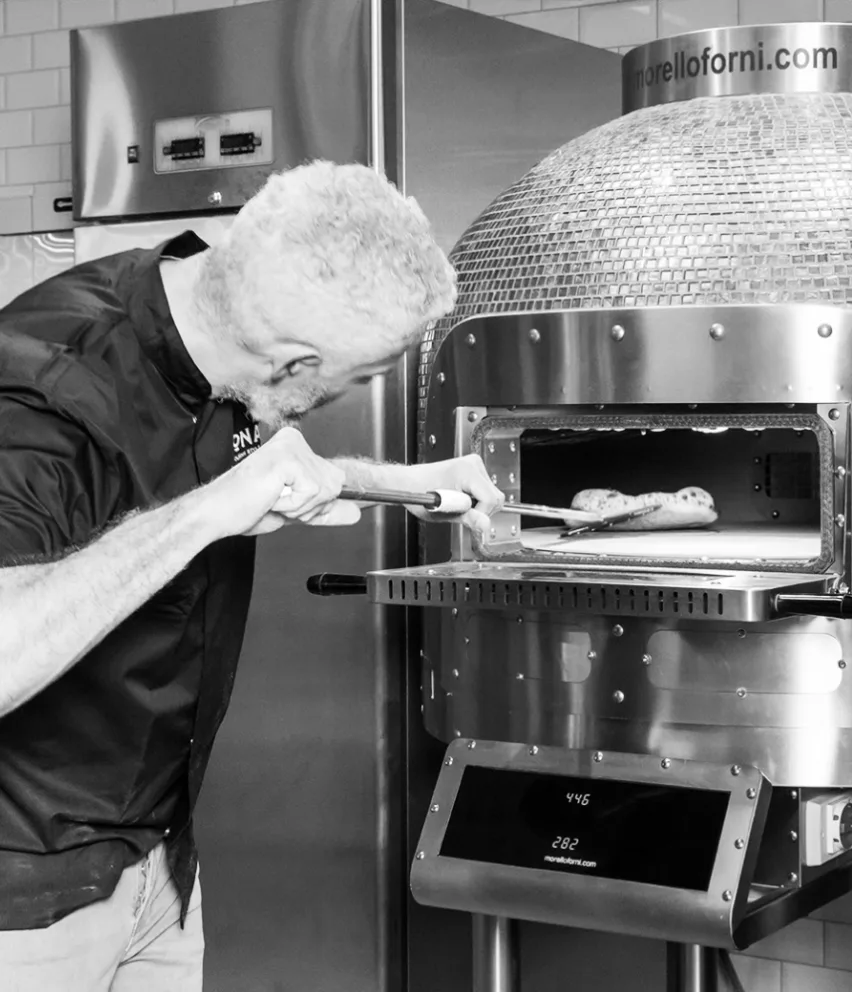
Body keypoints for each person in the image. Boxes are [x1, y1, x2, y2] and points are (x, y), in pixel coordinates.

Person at [0, 160, 502, 991]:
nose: (354, 391)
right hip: (27, 895)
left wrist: (396, 483)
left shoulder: (216, 314)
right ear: (293, 367)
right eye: (364, 377)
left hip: (157, 858)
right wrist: (206, 514)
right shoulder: (39, 400)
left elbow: (239, 457)